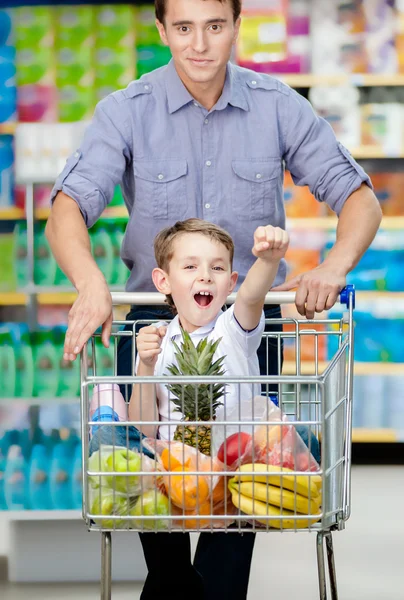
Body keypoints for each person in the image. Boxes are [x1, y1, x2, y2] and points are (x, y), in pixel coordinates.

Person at [45, 0, 382, 597]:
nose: (199, 44)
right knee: (155, 501)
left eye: (215, 26)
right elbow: (68, 207)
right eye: (183, 27)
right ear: (161, 29)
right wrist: (91, 283)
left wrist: (332, 266)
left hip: (249, 329)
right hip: (153, 329)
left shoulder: (278, 107)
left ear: (236, 26)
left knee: (239, 503)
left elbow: (358, 197)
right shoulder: (127, 111)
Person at [90, 217, 289, 599]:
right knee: (149, 507)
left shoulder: (235, 329)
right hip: (171, 473)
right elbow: (144, 430)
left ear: (230, 282)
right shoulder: (159, 343)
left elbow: (251, 298)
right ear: (163, 282)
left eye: (217, 268)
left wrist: (268, 260)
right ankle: (177, 580)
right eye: (190, 266)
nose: (205, 277)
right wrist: (145, 365)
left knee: (227, 560)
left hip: (232, 473)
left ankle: (200, 588)